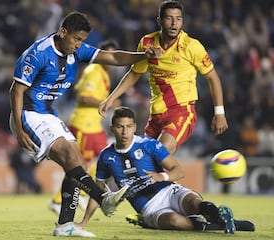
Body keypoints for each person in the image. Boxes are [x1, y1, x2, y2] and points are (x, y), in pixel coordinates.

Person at [9, 11, 158, 237]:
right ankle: (103, 199)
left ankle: (64, 225)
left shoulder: (78, 52)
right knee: (70, 157)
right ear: (63, 32)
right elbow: (16, 90)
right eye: (76, 39)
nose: (79, 45)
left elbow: (115, 58)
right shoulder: (37, 53)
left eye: (82, 40)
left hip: (48, 113)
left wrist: (142, 55)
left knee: (76, 160)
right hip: (28, 113)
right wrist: (19, 128)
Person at [78, 107, 255, 235]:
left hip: (168, 190)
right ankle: (220, 224)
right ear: (112, 129)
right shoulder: (106, 156)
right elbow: (98, 190)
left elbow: (179, 170)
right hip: (148, 207)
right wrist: (84, 221)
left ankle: (218, 217)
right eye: (120, 127)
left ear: (134, 127)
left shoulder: (149, 145)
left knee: (195, 203)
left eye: (129, 126)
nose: (125, 132)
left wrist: (160, 176)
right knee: (175, 221)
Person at [99, 0, 228, 155]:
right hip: (156, 114)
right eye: (169, 18)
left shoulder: (191, 46)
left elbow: (213, 77)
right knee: (146, 164)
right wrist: (111, 98)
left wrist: (219, 112)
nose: (174, 23)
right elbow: (134, 74)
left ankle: (171, 176)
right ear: (159, 21)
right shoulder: (147, 43)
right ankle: (168, 179)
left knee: (160, 151)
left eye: (178, 19)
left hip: (181, 111)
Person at [48, 39, 122, 215]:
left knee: (107, 156)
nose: (110, 60)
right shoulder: (93, 71)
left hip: (93, 125)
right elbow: (83, 97)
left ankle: (81, 191)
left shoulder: (102, 73)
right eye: (108, 56)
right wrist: (108, 103)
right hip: (84, 125)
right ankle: (58, 200)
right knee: (79, 164)